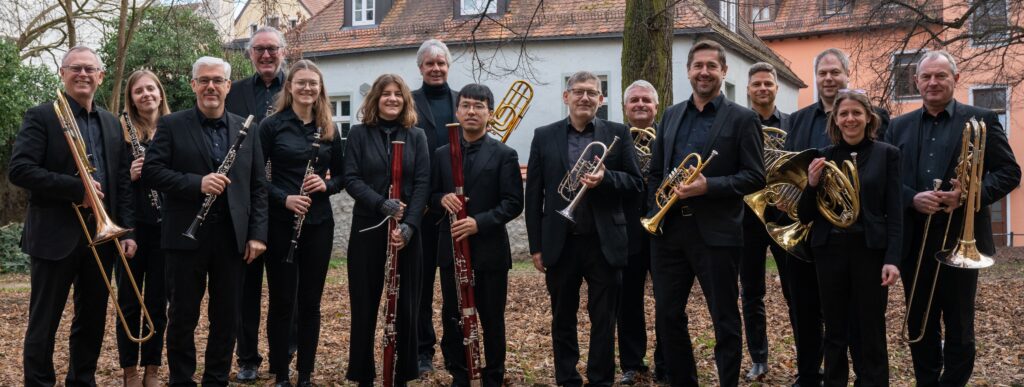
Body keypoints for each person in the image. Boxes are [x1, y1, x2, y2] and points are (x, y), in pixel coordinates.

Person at [886, 50, 1020, 386]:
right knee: (920, 323)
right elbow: (884, 183)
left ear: (955, 80)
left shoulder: (982, 119)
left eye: (940, 76)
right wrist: (911, 199)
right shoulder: (897, 127)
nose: (932, 82)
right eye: (926, 76)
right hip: (915, 241)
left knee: (960, 325)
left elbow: (1009, 172)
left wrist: (968, 195)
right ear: (916, 81)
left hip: (963, 239)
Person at [10, 45, 137, 386]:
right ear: (62, 74)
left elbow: (122, 181)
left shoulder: (112, 123)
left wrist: (126, 231)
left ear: (101, 76)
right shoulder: (42, 115)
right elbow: (20, 170)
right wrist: (75, 188)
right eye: (75, 68)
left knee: (92, 319)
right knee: (44, 321)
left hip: (102, 238)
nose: (82, 74)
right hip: (54, 235)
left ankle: (82, 379)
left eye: (89, 69)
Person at [142, 56, 269, 386]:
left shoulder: (248, 128)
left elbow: (258, 187)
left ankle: (216, 380)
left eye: (217, 80)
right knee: (183, 317)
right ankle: (182, 380)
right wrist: (196, 183)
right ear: (193, 85)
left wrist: (257, 234)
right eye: (204, 80)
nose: (210, 86)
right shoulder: (171, 125)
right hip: (184, 237)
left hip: (232, 237)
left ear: (228, 86)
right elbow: (152, 173)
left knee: (227, 317)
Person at [646, 40, 764, 386]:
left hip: (717, 233)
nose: (704, 72)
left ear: (723, 72)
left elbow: (755, 176)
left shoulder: (743, 119)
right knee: (668, 316)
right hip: (670, 233)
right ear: (688, 71)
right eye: (698, 65)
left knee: (724, 318)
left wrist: (708, 186)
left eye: (712, 66)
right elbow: (656, 171)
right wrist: (658, 206)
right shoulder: (670, 115)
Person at [525, 70, 643, 387]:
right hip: (561, 242)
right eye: (578, 91)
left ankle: (600, 378)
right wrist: (536, 245)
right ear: (566, 96)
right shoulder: (543, 135)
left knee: (604, 318)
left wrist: (607, 179)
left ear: (601, 100)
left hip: (604, 241)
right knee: (562, 316)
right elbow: (534, 194)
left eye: (592, 92)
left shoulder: (618, 133)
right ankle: (567, 378)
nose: (585, 98)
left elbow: (636, 184)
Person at [782, 48, 889, 386]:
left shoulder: (882, 132)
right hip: (817, 236)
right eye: (823, 73)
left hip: (861, 241)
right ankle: (811, 375)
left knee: (863, 321)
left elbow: (886, 184)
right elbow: (791, 179)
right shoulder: (797, 121)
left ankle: (867, 378)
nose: (828, 78)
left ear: (846, 74)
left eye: (835, 72)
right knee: (812, 314)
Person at [798, 90, 902, 386]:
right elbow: (806, 215)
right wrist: (812, 183)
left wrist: (893, 259)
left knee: (870, 329)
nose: (850, 118)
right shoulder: (823, 157)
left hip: (869, 252)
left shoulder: (887, 154)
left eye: (857, 112)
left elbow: (895, 213)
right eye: (843, 114)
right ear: (836, 120)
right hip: (829, 252)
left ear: (869, 118)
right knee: (834, 331)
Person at [258, 60, 345, 387]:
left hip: (319, 223)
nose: (308, 89)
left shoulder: (329, 129)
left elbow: (344, 176)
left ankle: (305, 374)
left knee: (310, 302)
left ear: (320, 88)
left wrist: (326, 186)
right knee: (282, 301)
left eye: (313, 84)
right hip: (281, 224)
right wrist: (285, 198)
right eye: (301, 83)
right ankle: (281, 373)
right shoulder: (272, 126)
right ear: (290, 87)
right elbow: (256, 177)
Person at [431, 83, 524, 387]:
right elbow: (430, 195)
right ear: (457, 111)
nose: (472, 111)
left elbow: (513, 203)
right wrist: (441, 199)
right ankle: (459, 374)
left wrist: (478, 222)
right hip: (452, 248)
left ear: (490, 113)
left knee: (491, 318)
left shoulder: (505, 154)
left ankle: (493, 376)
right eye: (466, 105)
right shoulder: (442, 153)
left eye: (479, 106)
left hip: (490, 251)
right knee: (453, 315)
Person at [342, 73, 430, 386]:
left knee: (407, 302)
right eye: (385, 94)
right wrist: (381, 204)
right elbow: (351, 178)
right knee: (364, 300)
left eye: (397, 94)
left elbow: (422, 184)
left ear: (405, 100)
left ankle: (403, 372)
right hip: (368, 224)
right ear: (375, 99)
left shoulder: (416, 136)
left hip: (406, 230)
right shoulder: (358, 134)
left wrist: (409, 227)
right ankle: (363, 373)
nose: (392, 98)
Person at [225, 26, 288, 381]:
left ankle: (286, 353)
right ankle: (247, 357)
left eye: (272, 49)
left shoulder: (298, 87)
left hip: (286, 204)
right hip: (245, 205)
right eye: (259, 49)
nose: (266, 55)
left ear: (283, 51)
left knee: (284, 289)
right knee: (245, 289)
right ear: (250, 54)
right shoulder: (232, 94)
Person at [117, 69, 172, 387]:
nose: (146, 94)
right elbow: (114, 184)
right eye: (139, 91)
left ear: (160, 93)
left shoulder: (174, 129)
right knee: (128, 302)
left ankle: (152, 369)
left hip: (165, 229)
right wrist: (131, 175)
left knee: (158, 304)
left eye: (151, 89)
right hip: (132, 230)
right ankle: (130, 372)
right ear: (131, 98)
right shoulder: (122, 134)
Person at [739, 62, 791, 381]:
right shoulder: (737, 122)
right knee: (752, 291)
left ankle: (810, 352)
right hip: (747, 217)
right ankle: (759, 357)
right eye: (756, 84)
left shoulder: (791, 123)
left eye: (767, 84)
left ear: (776, 88)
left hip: (785, 215)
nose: (762, 88)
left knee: (795, 290)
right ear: (748, 89)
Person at [410, 38, 459, 376]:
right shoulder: (409, 102)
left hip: (458, 204)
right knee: (421, 284)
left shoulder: (464, 101)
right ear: (421, 68)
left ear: (448, 66)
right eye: (430, 64)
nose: (436, 68)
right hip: (424, 206)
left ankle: (457, 350)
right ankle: (423, 351)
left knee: (457, 285)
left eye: (441, 63)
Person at [616, 79, 667, 385]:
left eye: (646, 100)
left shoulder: (669, 134)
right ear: (625, 107)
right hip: (627, 230)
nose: (640, 105)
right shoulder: (614, 137)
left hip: (665, 230)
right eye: (634, 100)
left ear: (656, 106)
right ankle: (632, 363)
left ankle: (666, 361)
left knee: (668, 302)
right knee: (628, 301)